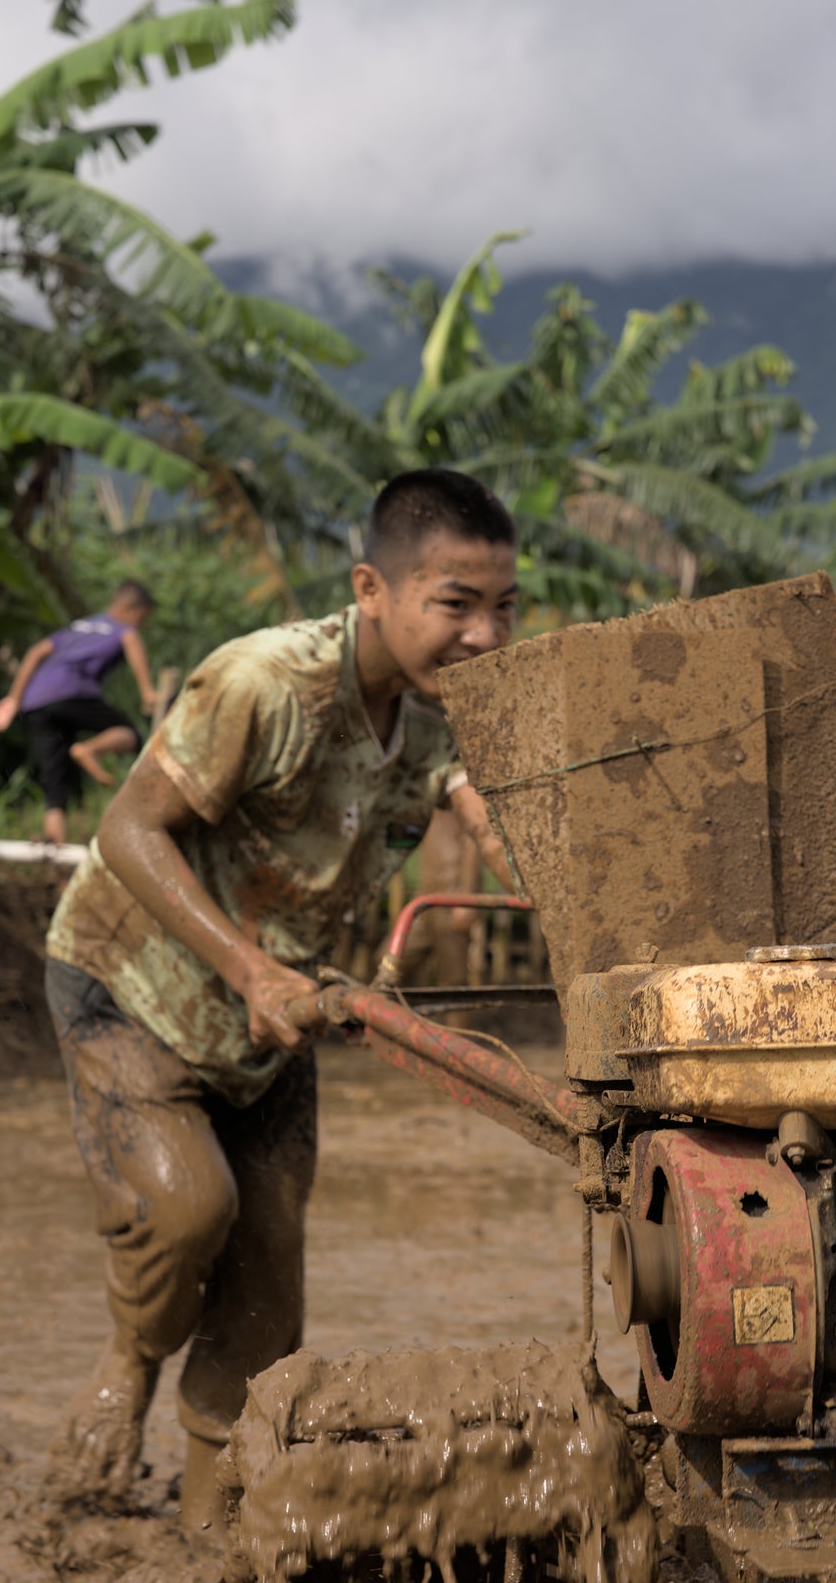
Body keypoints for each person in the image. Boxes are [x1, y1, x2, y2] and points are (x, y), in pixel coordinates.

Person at [41, 468, 517, 1525]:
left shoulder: (448, 716)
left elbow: (493, 821)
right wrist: (246, 969)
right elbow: (126, 831)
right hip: (134, 981)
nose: (483, 636)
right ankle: (127, 1363)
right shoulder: (261, 684)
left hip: (277, 1019)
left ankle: (207, 1542)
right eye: (455, 605)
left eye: (501, 607)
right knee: (185, 1208)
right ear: (373, 589)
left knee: (268, 1287)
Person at [0, 582, 158, 846]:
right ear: (127, 608)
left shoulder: (79, 627)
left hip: (35, 702)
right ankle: (89, 750)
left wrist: (13, 699)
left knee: (54, 778)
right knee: (131, 734)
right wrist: (147, 691)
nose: (139, 625)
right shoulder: (123, 628)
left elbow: (36, 652)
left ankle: (55, 849)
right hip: (70, 693)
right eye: (140, 618)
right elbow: (131, 639)